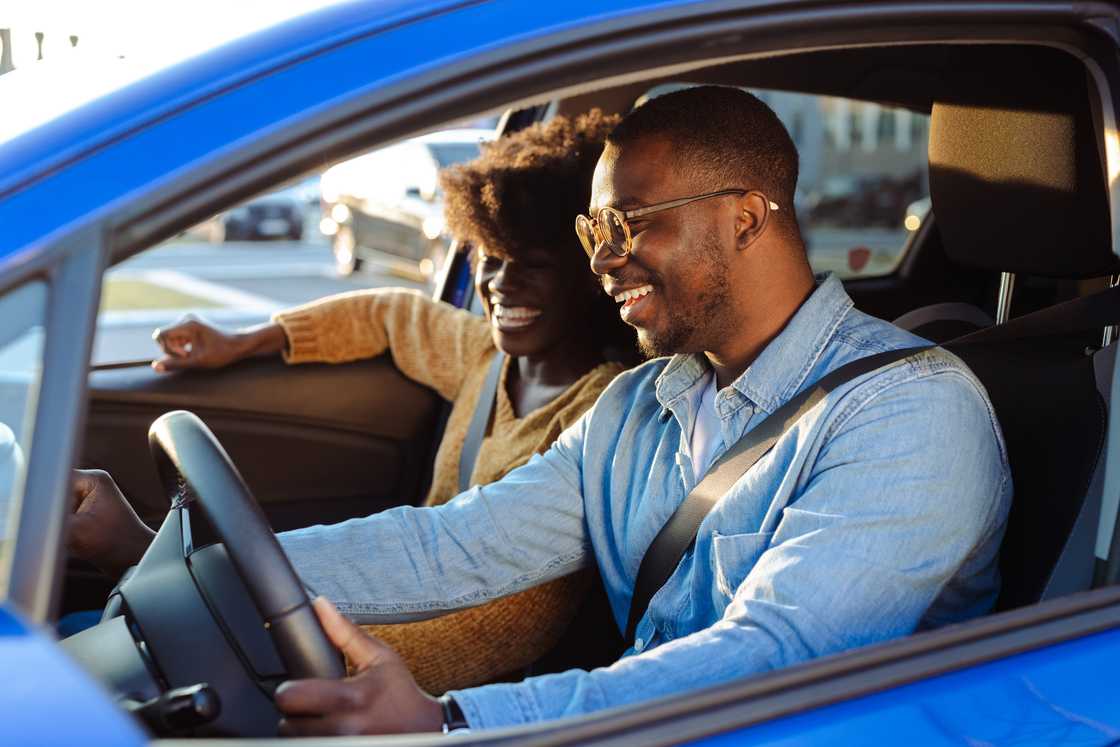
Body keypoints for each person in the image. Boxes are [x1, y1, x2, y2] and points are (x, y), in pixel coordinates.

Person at [73, 86, 1011, 735]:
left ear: (747, 216)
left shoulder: (912, 412)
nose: (604, 257)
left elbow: (771, 660)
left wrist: (452, 721)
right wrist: (189, 555)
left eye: (633, 222)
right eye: (594, 229)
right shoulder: (642, 403)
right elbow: (456, 545)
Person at [71, 111, 634, 694]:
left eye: (533, 267)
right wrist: (245, 342)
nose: (499, 283)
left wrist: (280, 642)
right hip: (359, 619)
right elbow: (389, 316)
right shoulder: (483, 356)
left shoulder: (599, 411)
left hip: (401, 681)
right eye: (490, 257)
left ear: (590, 277)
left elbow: (498, 618)